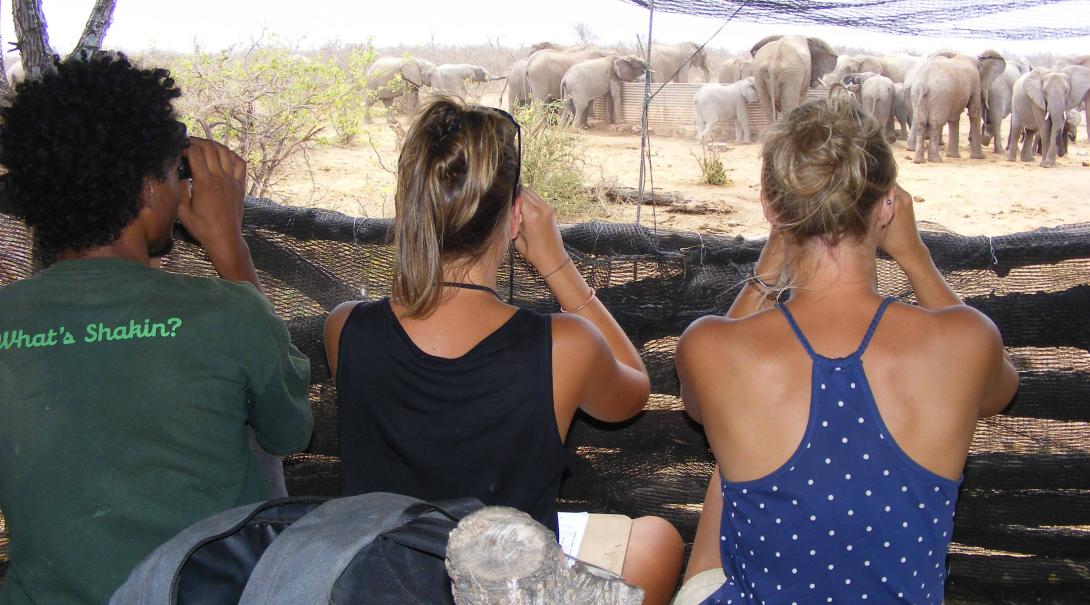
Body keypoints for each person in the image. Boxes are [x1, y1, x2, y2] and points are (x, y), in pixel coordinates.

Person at [324, 96, 683, 604]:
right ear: (516, 218)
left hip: (379, 585)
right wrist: (557, 264)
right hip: (507, 592)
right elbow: (634, 389)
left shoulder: (345, 329)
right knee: (659, 538)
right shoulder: (565, 344)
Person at [673, 94, 1019, 605]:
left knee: (737, 450)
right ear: (887, 207)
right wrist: (914, 254)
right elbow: (997, 391)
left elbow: (705, 405)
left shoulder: (708, 346)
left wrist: (771, 264)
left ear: (772, 208)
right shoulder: (968, 340)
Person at [0, 54, 313, 605]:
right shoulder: (226, 312)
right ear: (148, 190)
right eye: (173, 175)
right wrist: (231, 249)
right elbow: (289, 431)